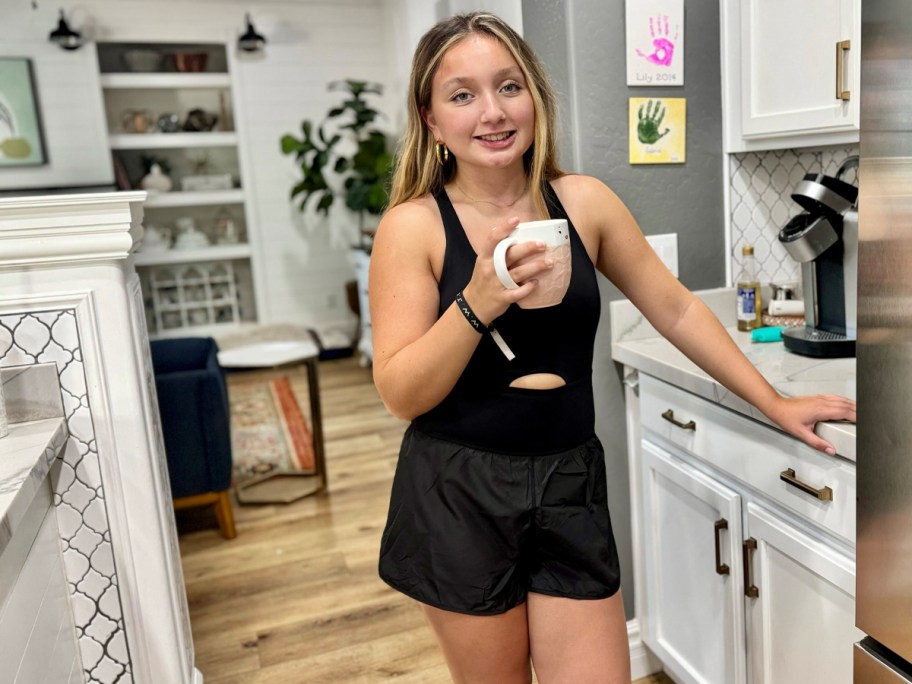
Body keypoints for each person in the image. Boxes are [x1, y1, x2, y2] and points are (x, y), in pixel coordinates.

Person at [369, 12, 856, 684]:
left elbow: (678, 308)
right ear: (429, 118)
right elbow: (402, 393)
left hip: (569, 478)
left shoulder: (585, 203)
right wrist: (480, 298)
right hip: (460, 492)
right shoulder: (413, 227)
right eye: (462, 94)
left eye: (509, 87)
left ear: (535, 96)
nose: (492, 111)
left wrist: (774, 402)